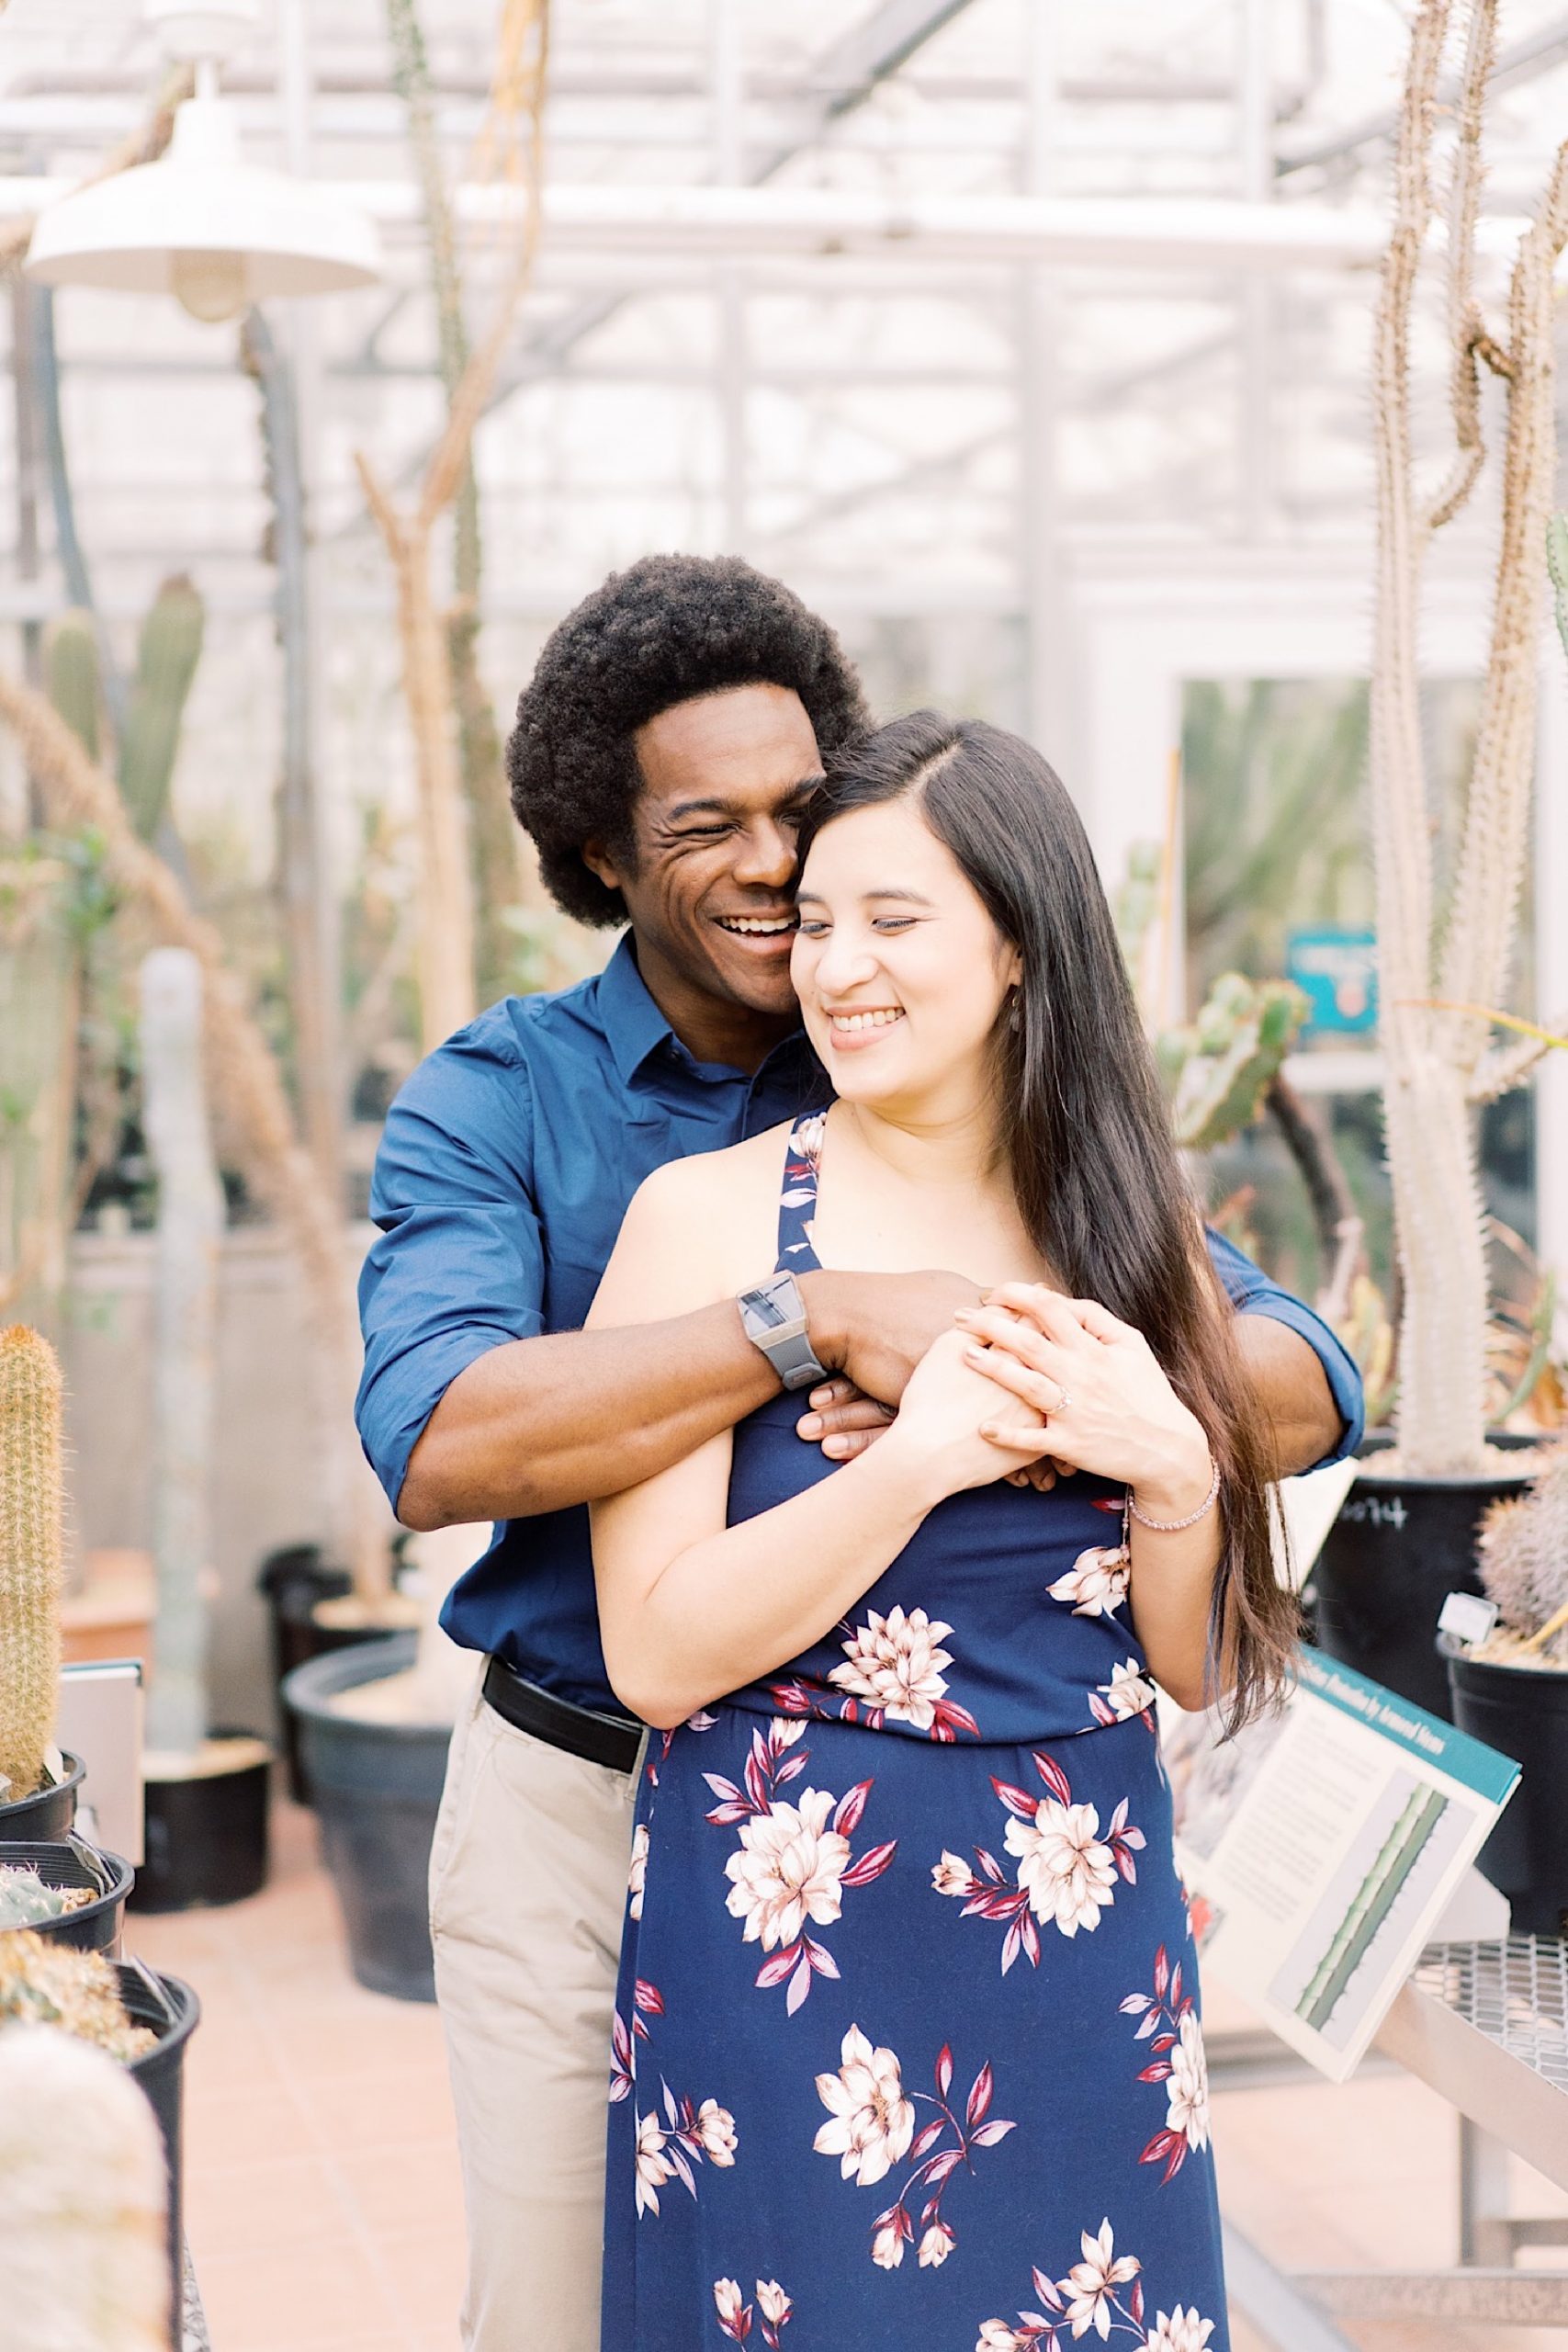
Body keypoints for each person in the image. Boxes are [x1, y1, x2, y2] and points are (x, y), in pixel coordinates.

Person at [355, 558, 1363, 2352]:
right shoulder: (517, 1104)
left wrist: (1116, 1409)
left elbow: (1293, 1375)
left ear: (1001, 934)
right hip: (626, 1794)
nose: (781, 893)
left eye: (812, 845)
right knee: (556, 2302)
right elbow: (438, 1439)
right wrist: (812, 1320)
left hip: (1037, 1871)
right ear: (600, 852)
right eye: (712, 832)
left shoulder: (1069, 1178)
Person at [591, 711, 1292, 2348]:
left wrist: (1176, 1473)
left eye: (893, 921)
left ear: (1020, 949)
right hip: (793, 1936)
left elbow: (1185, 1666)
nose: (838, 969)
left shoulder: (1133, 1236)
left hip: (1081, 1930)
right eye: (819, 923)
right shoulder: (707, 1224)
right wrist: (913, 1466)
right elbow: (654, 1653)